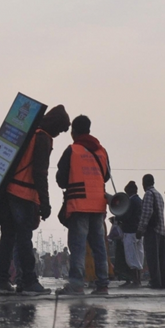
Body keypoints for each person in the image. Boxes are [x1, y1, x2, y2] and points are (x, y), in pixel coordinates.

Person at [0, 104, 69, 296]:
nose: (58, 134)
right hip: (24, 195)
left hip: (9, 192)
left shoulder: (30, 134)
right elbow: (40, 172)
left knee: (8, 238)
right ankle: (29, 281)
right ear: (54, 124)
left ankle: (1, 281)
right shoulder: (43, 138)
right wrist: (45, 202)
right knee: (24, 239)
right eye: (59, 129)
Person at [55, 114, 111, 296]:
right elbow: (106, 176)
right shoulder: (102, 151)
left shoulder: (72, 150)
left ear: (74, 132)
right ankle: (102, 284)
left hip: (79, 205)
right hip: (98, 205)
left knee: (78, 247)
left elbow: (61, 180)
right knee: (99, 247)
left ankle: (76, 285)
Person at [136, 174, 165, 289]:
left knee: (152, 258)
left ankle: (155, 282)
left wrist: (140, 229)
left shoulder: (148, 194)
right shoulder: (158, 194)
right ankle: (164, 283)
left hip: (152, 230)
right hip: (161, 230)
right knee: (162, 259)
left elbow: (146, 213)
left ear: (144, 183)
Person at [116, 180, 144, 289]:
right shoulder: (139, 201)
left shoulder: (131, 202)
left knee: (131, 256)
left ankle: (135, 281)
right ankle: (138, 280)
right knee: (138, 256)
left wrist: (117, 218)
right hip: (138, 231)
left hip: (130, 231)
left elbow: (126, 216)